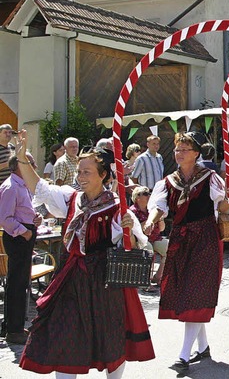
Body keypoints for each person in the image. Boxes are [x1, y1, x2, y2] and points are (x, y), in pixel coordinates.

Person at [14, 131, 154, 377]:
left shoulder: (117, 207)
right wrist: (22, 159)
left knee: (110, 336)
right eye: (79, 172)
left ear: (103, 176)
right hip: (70, 276)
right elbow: (40, 187)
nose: (80, 177)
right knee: (64, 333)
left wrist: (129, 228)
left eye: (86, 172)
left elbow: (138, 245)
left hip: (105, 280)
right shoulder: (72, 198)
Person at [143, 132, 229, 374]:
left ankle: (183, 356)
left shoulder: (210, 178)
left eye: (184, 148)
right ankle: (202, 347)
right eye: (177, 149)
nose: (179, 153)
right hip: (181, 239)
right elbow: (158, 207)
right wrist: (151, 221)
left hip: (205, 238)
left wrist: (227, 195)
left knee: (195, 292)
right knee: (187, 292)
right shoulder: (168, 181)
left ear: (195, 153)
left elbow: (222, 206)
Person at [0, 154, 42, 345]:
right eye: (29, 163)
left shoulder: (22, 185)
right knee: (17, 283)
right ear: (18, 166)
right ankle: (14, 330)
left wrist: (36, 219)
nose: (33, 166)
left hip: (24, 234)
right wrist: (24, 232)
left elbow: (24, 210)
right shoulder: (11, 186)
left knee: (20, 282)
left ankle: (13, 326)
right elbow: (5, 218)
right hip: (18, 238)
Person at [130, 186, 167, 285]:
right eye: (146, 194)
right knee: (148, 250)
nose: (149, 195)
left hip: (155, 238)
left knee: (170, 247)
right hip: (140, 240)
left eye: (149, 193)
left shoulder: (152, 210)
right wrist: (150, 220)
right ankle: (145, 280)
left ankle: (158, 277)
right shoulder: (132, 211)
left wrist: (160, 218)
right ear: (137, 197)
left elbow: (162, 229)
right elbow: (137, 230)